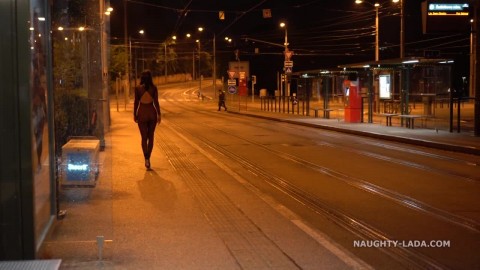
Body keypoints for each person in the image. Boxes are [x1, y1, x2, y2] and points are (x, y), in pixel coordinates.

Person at [134, 70, 161, 169]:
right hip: (152, 113)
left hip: (142, 113)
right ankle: (148, 157)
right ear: (150, 78)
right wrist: (159, 114)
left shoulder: (137, 89)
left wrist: (135, 114)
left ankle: (146, 159)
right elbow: (156, 102)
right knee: (151, 137)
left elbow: (136, 102)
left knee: (144, 138)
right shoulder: (154, 88)